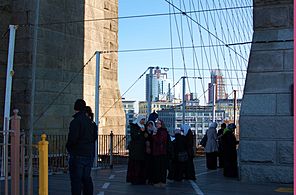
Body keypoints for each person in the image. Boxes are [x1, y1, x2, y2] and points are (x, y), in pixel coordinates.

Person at [66, 99, 98, 195]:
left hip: (78, 154)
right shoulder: (91, 123)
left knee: (76, 180)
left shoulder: (75, 122)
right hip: (89, 155)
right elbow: (94, 138)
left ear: (75, 109)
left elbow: (72, 139)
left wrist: (69, 148)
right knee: (86, 178)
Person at [126, 115, 148, 185]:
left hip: (142, 149)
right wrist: (140, 131)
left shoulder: (144, 126)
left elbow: (146, 136)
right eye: (142, 120)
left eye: (144, 120)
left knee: (141, 165)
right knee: (135, 165)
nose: (143, 121)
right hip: (135, 149)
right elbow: (134, 136)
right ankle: (134, 179)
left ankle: (141, 179)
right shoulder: (134, 126)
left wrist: (145, 133)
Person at [151, 119, 170, 187]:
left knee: (160, 168)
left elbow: (159, 141)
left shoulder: (162, 131)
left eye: (159, 123)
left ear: (161, 124)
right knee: (159, 168)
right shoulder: (160, 131)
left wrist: (154, 135)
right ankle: (160, 181)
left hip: (160, 152)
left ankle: (160, 181)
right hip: (159, 152)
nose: (157, 124)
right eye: (157, 123)